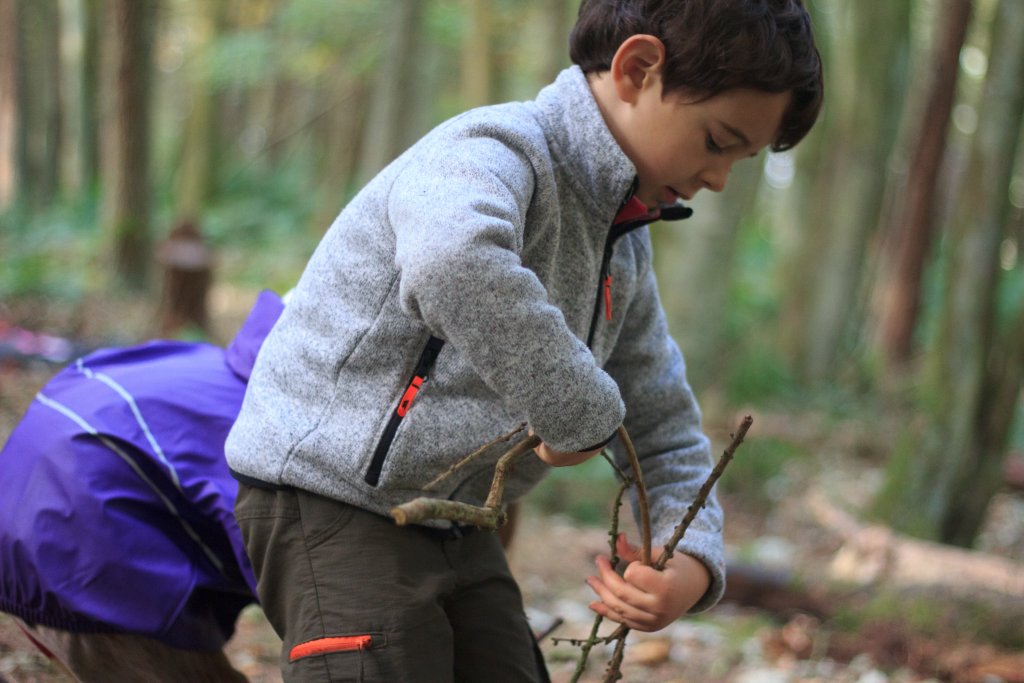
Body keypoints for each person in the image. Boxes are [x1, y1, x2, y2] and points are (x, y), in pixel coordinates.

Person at [226, 1, 824, 681]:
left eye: (741, 160)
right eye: (717, 141)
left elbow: (662, 424)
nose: (718, 179)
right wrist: (574, 406)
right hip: (329, 497)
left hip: (457, 523)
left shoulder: (623, 248)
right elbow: (452, 259)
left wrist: (689, 557)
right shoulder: (494, 150)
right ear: (637, 69)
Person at [0, 290, 284, 683]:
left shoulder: (210, 367)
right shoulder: (267, 433)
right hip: (80, 551)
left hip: (37, 507)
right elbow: (287, 563)